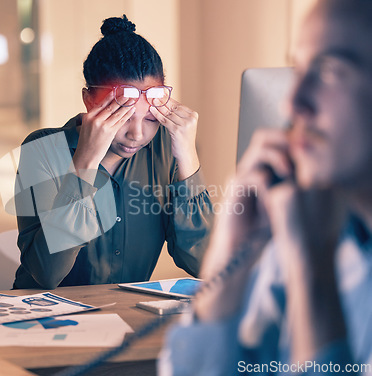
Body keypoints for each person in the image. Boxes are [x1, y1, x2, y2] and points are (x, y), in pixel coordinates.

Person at [159, 0, 372, 375]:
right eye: (300, 69)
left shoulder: (305, 243)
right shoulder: (287, 239)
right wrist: (229, 259)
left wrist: (310, 269)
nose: (293, 102)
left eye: (331, 71)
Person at [12, 15, 212, 290]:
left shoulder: (166, 149)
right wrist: (85, 165)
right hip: (43, 319)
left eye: (151, 119)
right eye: (123, 117)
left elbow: (204, 263)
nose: (137, 134)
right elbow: (47, 273)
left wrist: (188, 157)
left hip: (123, 317)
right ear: (88, 101)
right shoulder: (42, 150)